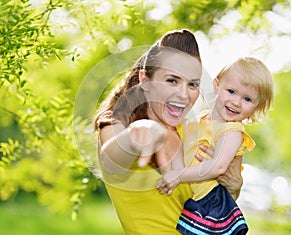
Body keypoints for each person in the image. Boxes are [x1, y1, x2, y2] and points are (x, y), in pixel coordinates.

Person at [93, 29, 244, 235]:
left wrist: (232, 188)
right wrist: (138, 135)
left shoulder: (189, 130)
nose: (183, 94)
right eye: (172, 80)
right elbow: (111, 160)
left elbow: (204, 207)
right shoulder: (117, 124)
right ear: (145, 80)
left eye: (192, 84)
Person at [156, 57, 274, 234]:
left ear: (257, 107)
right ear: (216, 85)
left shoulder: (232, 131)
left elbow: (218, 166)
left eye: (247, 99)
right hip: (189, 196)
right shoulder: (201, 120)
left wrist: (178, 175)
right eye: (231, 91)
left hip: (210, 203)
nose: (236, 102)